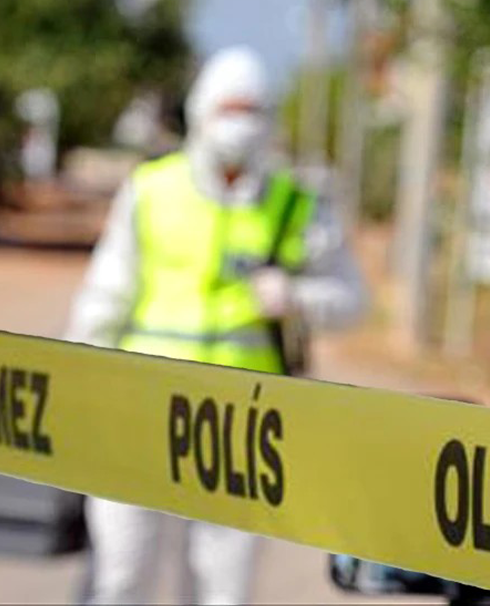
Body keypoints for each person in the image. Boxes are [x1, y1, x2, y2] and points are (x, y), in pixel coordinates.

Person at [65, 46, 367, 604]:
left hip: (241, 428)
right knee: (119, 577)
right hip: (140, 411)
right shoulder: (151, 189)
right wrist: (75, 390)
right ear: (201, 111)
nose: (240, 124)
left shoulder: (296, 202)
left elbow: (352, 300)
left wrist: (297, 297)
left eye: (253, 110)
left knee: (221, 591)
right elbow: (104, 298)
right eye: (230, 109)